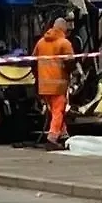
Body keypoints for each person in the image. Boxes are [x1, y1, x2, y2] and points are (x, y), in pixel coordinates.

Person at [33, 18, 74, 150]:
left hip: (43, 85)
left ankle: (63, 135)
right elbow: (70, 64)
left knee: (55, 112)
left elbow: (33, 62)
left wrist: (38, 79)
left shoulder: (41, 42)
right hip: (58, 85)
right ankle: (52, 138)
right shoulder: (64, 43)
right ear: (64, 29)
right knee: (58, 112)